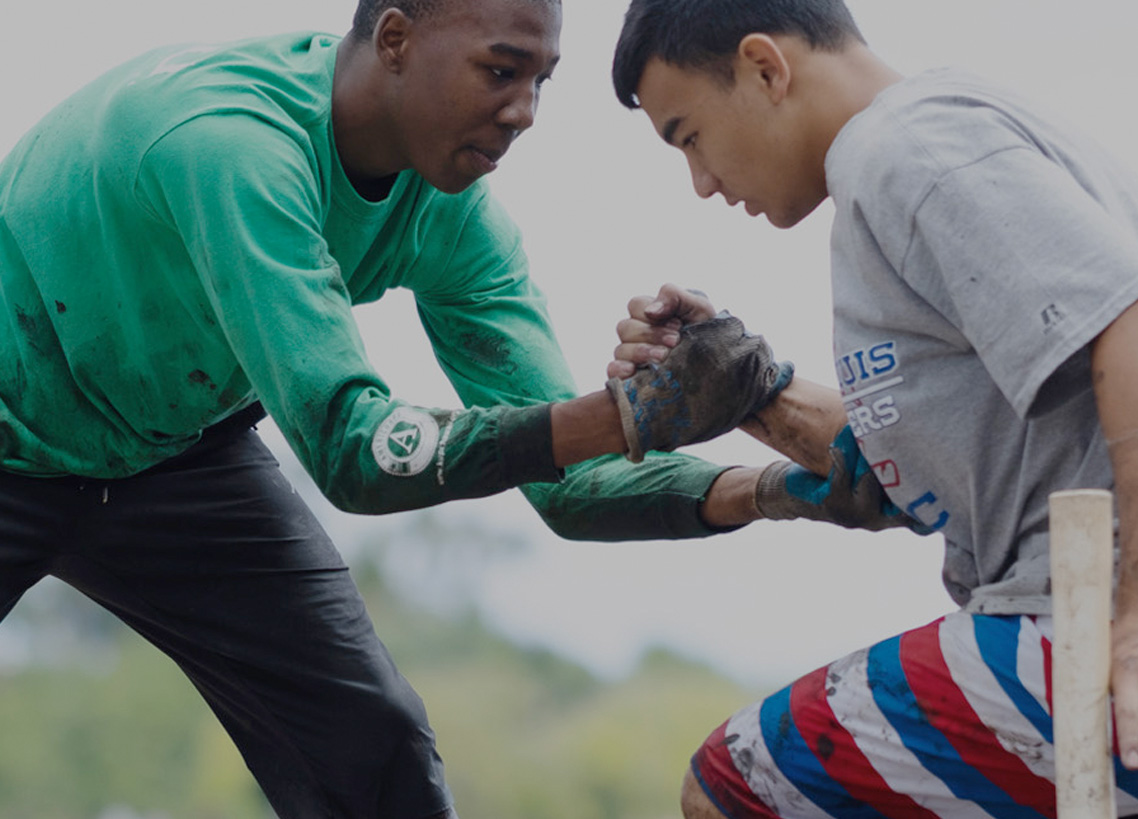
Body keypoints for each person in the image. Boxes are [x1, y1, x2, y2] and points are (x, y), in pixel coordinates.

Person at [0, 0, 855, 814]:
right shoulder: (232, 149)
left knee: (375, 743)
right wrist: (632, 413)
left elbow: (568, 483)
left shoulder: (455, 220)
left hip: (167, 454)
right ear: (398, 40)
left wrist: (772, 486)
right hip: (10, 434)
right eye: (500, 70)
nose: (523, 112)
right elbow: (352, 450)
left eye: (542, 81)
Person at [606, 0, 1138, 816]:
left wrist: (1131, 612)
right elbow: (936, 468)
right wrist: (750, 392)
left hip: (1087, 623)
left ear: (764, 67)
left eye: (689, 136)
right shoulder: (900, 158)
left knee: (736, 784)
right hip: (1055, 617)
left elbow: (1130, 325)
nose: (702, 182)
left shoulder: (911, 148)